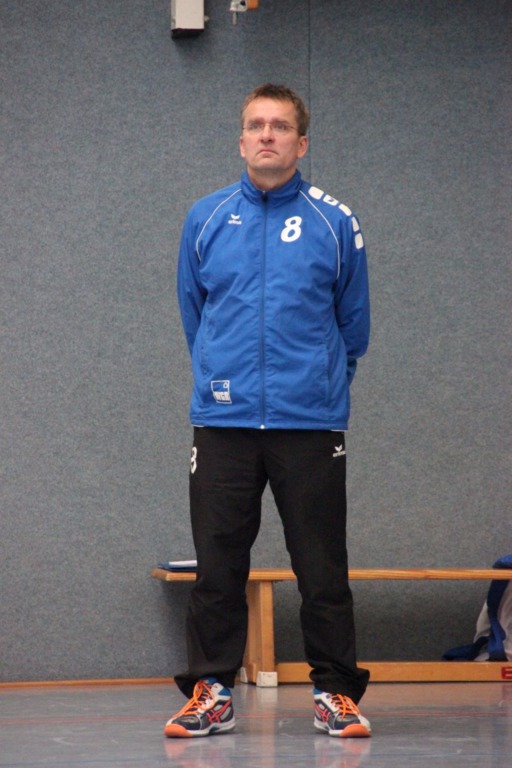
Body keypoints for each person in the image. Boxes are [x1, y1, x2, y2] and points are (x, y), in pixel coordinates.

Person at [165, 83, 371, 739]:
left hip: (309, 424)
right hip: (223, 423)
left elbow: (354, 325)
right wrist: (222, 378)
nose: (266, 135)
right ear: (241, 140)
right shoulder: (205, 218)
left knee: (322, 567)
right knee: (217, 567)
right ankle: (212, 691)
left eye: (280, 126)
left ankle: (336, 693)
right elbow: (195, 314)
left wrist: (320, 386)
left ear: (301, 143)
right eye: (256, 125)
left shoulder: (334, 222)